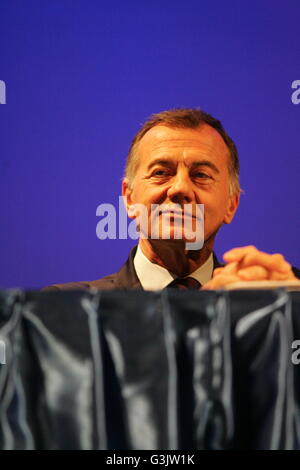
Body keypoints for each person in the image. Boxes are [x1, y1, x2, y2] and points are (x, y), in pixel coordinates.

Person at [45, 108, 300, 291]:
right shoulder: (68, 310)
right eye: (160, 173)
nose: (180, 188)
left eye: (201, 175)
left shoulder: (273, 300)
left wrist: (289, 312)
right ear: (129, 198)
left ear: (231, 204)